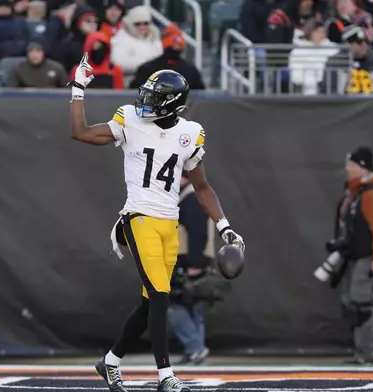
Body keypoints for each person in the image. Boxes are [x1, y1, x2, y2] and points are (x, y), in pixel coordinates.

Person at [68, 54, 246, 392]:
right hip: (138, 217)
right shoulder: (130, 119)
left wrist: (224, 226)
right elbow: (80, 132)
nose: (145, 102)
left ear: (173, 103)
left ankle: (110, 362)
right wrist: (78, 89)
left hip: (169, 224)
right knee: (163, 297)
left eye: (155, 97)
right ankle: (167, 377)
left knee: (151, 302)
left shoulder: (190, 133)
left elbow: (203, 187)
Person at [326, 146, 373, 364]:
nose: (347, 168)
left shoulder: (371, 195)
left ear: (362, 168)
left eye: (351, 164)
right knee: (350, 301)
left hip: (367, 256)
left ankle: (366, 354)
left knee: (360, 303)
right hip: (354, 255)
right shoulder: (354, 196)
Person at [168, 171, 215, 365]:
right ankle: (194, 349)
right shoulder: (193, 197)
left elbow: (198, 233)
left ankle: (195, 347)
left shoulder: (191, 198)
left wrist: (195, 264)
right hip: (194, 259)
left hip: (189, 260)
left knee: (175, 303)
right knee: (192, 304)